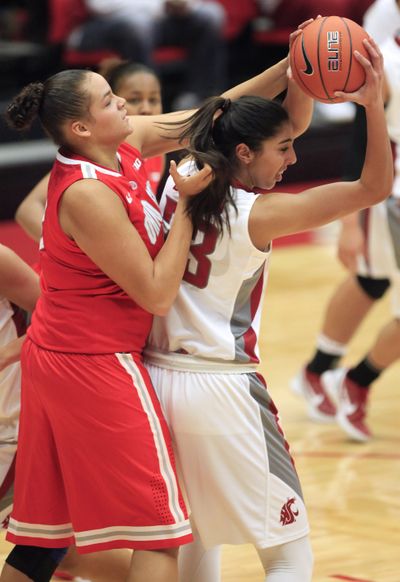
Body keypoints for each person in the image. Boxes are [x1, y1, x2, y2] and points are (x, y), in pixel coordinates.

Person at [0, 45, 304, 582]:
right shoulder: (88, 195)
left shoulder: (123, 146)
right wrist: (187, 204)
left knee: (45, 544)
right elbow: (158, 295)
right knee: (163, 530)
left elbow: (208, 112)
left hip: (65, 355)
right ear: (81, 127)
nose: (125, 104)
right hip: (92, 362)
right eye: (110, 100)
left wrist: (289, 66)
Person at [143, 37, 392, 582]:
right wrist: (373, 104)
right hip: (222, 388)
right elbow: (374, 187)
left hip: (158, 381)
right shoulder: (261, 214)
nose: (295, 156)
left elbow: (257, 124)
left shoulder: (176, 178)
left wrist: (299, 73)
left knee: (197, 541)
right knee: (288, 554)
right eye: (284, 150)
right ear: (245, 154)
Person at [291, 0, 400, 443]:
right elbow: (363, 132)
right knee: (370, 280)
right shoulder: (383, 59)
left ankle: (331, 376)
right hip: (389, 194)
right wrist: (351, 219)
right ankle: (349, 379)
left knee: (372, 281)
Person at [15, 60, 165, 243]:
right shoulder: (86, 166)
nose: (146, 109)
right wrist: (77, 250)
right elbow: (27, 210)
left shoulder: (158, 152)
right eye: (134, 99)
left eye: (154, 99)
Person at [67, 0, 227, 110]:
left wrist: (185, 5)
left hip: (159, 22)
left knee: (210, 14)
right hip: (104, 25)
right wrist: (160, 5)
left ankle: (200, 98)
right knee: (139, 25)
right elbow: (101, 5)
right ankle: (150, 102)